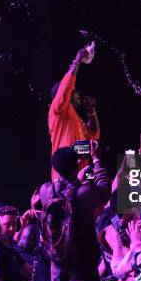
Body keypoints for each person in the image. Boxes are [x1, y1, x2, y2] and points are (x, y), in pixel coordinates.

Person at [39, 140, 111, 281]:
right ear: (77, 163)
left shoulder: (46, 191)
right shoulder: (83, 193)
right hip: (81, 265)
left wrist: (78, 178)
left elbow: (62, 188)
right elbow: (105, 189)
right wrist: (96, 160)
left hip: (56, 263)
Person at [49, 42, 100, 180]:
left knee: (96, 198)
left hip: (83, 175)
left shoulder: (75, 119)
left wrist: (91, 113)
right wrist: (77, 61)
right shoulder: (57, 111)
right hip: (64, 179)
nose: (78, 94)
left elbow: (94, 135)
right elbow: (65, 87)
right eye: (74, 91)